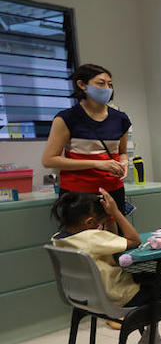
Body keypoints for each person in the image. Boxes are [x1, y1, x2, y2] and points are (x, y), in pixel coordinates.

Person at [49, 189, 161, 344]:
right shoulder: (91, 238)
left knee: (157, 278)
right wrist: (116, 212)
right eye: (100, 224)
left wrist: (109, 217)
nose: (100, 228)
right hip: (121, 296)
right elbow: (134, 240)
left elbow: (112, 240)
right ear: (89, 222)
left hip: (89, 298)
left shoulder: (59, 239)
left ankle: (150, 336)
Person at [43, 64, 131, 233]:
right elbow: (49, 159)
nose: (107, 88)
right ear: (82, 85)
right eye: (101, 83)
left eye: (110, 84)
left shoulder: (120, 119)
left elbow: (122, 153)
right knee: (83, 246)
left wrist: (124, 163)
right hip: (78, 195)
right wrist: (97, 164)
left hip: (112, 190)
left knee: (116, 245)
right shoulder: (67, 118)